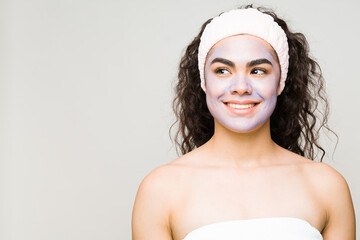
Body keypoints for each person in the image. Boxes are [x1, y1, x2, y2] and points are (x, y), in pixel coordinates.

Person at [132, 5, 356, 240]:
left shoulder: (327, 187)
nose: (241, 87)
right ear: (204, 82)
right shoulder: (160, 190)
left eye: (258, 71)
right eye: (222, 70)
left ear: (280, 82)